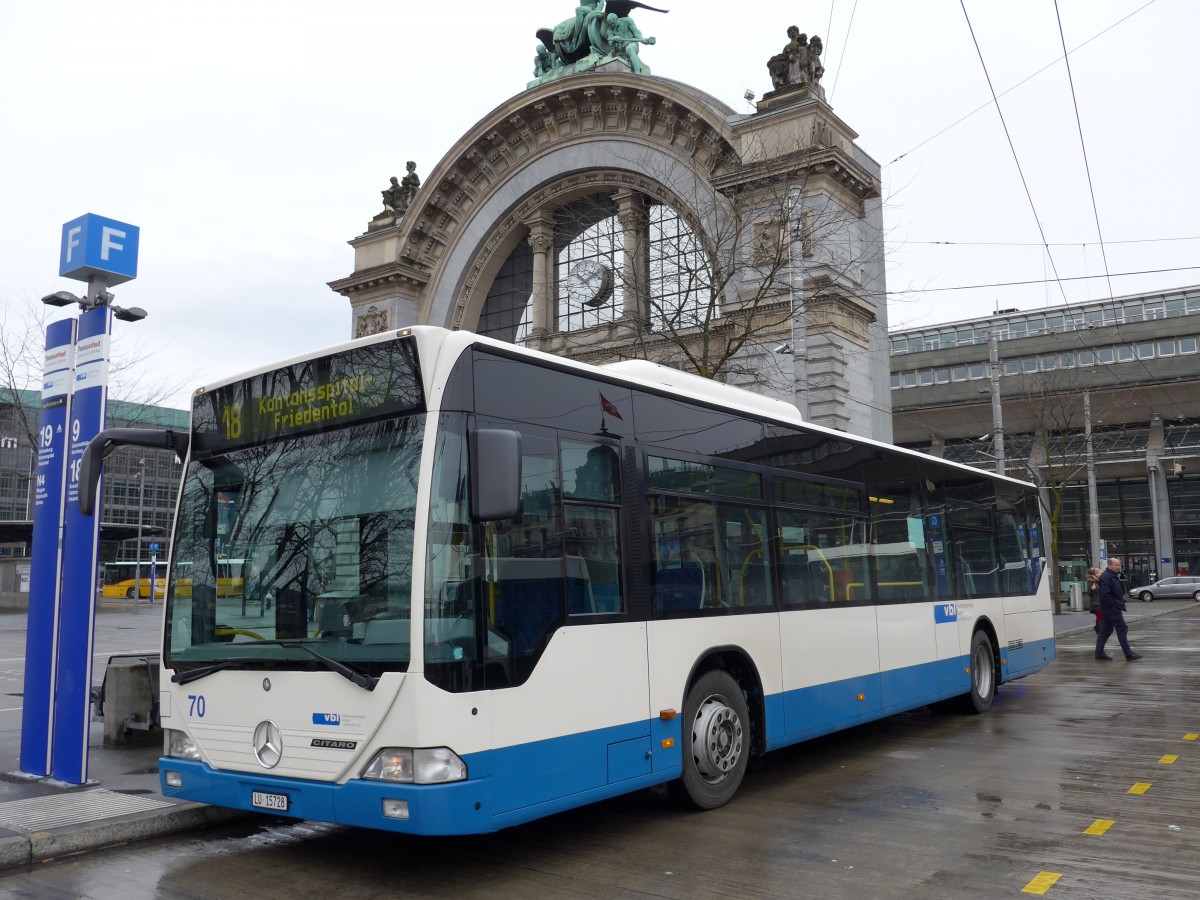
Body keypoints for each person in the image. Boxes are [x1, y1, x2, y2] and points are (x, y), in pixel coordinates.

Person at [1095, 557, 1143, 661]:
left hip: (1110, 608)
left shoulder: (1112, 576)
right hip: (1111, 609)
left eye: (1119, 565)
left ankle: (1099, 652)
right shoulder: (1106, 577)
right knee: (1122, 628)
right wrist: (1114, 605)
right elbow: (1104, 595)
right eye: (1116, 565)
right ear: (1110, 565)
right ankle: (1128, 653)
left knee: (1106, 630)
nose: (1118, 567)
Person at [1086, 566, 1102, 632]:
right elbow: (1089, 593)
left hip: (1100, 603)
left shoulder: (1098, 581)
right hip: (1096, 604)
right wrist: (1092, 589)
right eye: (1099, 573)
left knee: (1101, 617)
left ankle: (1098, 628)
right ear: (1094, 574)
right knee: (1101, 616)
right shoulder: (1091, 582)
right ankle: (1098, 629)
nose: (1101, 574)